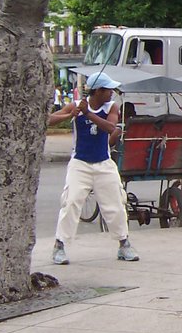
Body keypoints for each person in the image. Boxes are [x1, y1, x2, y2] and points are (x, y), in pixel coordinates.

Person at [48, 72, 139, 265]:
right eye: (108, 90)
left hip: (103, 162)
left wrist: (87, 114)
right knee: (71, 202)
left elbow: (110, 128)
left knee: (115, 203)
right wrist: (70, 114)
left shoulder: (111, 107)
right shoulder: (76, 106)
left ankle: (124, 243)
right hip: (80, 163)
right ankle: (60, 245)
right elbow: (48, 120)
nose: (112, 93)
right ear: (98, 91)